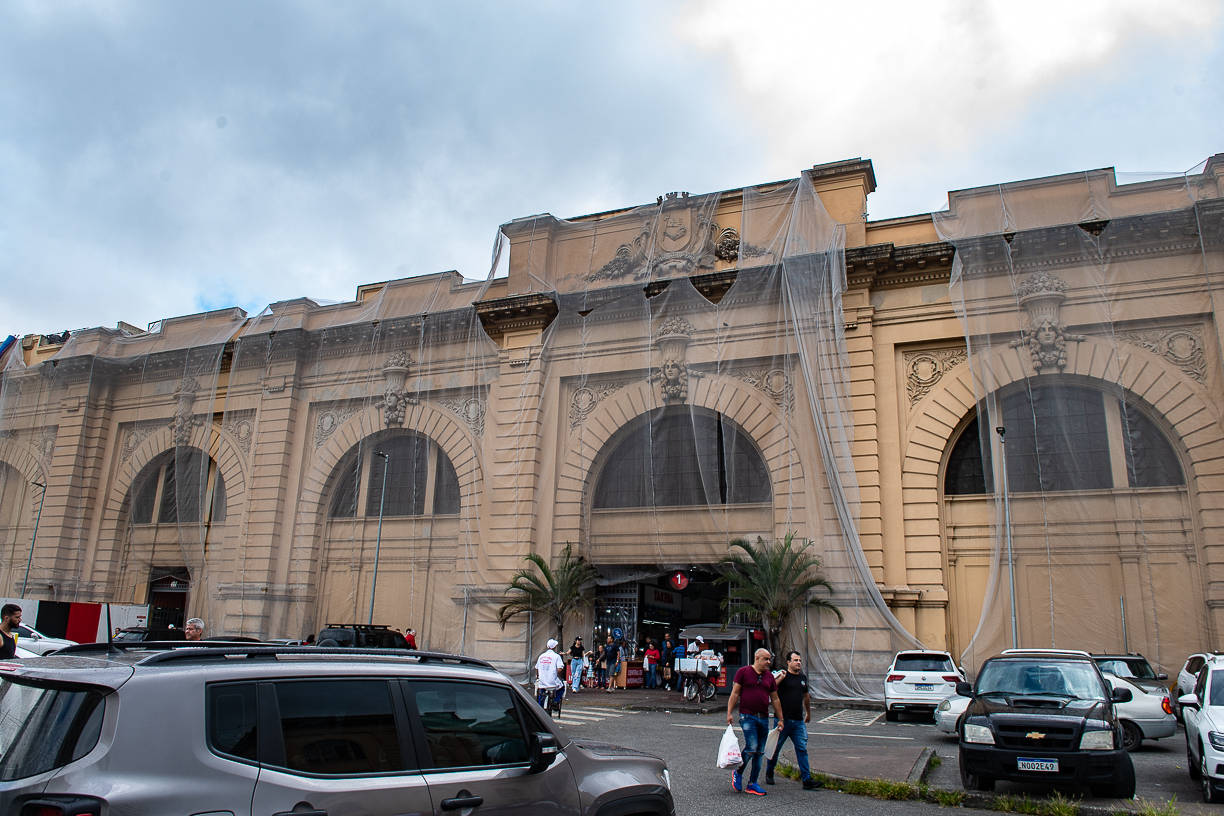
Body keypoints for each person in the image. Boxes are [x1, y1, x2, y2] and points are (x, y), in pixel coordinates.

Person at [726, 648, 784, 796]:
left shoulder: (769, 677)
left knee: (760, 751)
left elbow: (775, 698)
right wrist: (729, 712)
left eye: (769, 659)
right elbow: (735, 693)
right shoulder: (743, 672)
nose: (768, 662)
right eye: (766, 659)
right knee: (752, 746)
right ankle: (738, 772)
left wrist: (780, 718)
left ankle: (752, 783)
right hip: (747, 715)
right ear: (757, 658)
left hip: (763, 717)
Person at [765, 651, 819, 790]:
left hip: (798, 721)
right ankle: (769, 772)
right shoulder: (783, 676)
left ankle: (807, 780)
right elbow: (771, 690)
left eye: (800, 660)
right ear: (788, 662)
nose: (798, 663)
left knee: (802, 749)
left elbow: (806, 696)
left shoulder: (802, 678)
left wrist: (808, 713)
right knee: (775, 749)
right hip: (782, 720)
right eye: (795, 660)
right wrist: (779, 678)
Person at [534, 638, 564, 710]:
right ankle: (555, 701)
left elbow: (537, 668)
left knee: (541, 690)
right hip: (552, 681)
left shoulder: (541, 656)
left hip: (542, 681)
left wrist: (538, 677)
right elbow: (560, 669)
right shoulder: (557, 656)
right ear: (554, 647)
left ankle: (539, 707)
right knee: (562, 688)